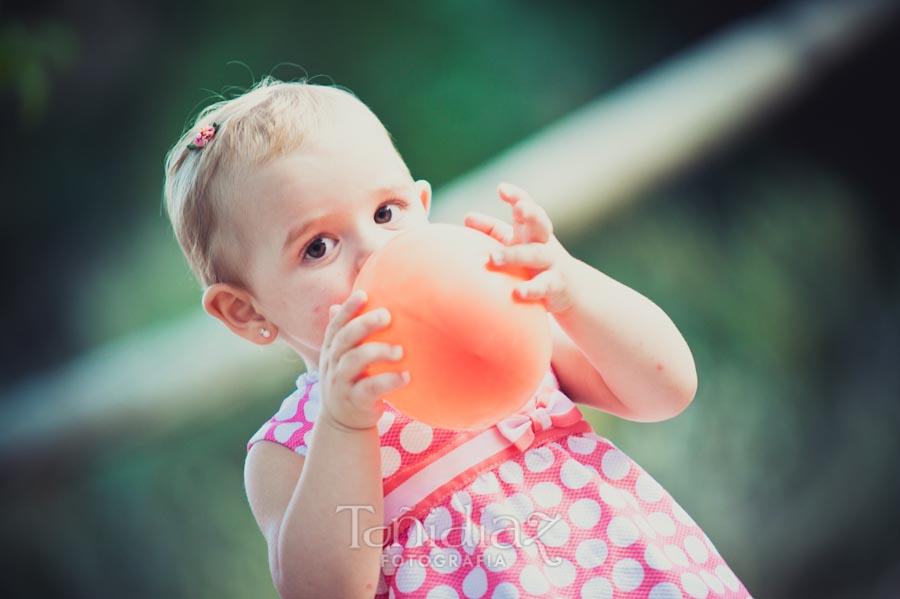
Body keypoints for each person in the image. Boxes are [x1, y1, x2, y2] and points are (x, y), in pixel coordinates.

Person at [163, 77, 751, 599]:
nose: (375, 252)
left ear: (422, 206)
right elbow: (329, 591)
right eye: (317, 247)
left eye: (387, 212)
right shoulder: (290, 450)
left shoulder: (500, 327)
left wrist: (571, 288)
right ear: (245, 312)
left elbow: (667, 389)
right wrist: (346, 424)